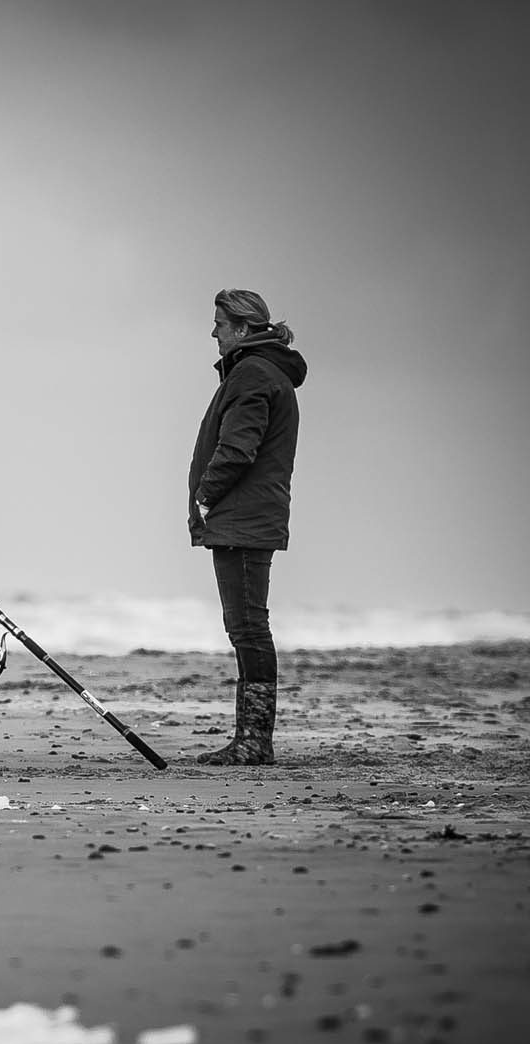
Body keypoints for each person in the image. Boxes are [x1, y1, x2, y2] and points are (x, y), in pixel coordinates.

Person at [188, 288, 308, 765]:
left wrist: (204, 495)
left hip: (244, 519)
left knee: (248, 628)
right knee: (247, 626)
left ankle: (255, 741)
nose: (213, 332)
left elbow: (239, 448)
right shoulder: (263, 372)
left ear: (241, 329)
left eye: (219, 323)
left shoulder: (253, 374)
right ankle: (252, 739)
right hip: (251, 516)